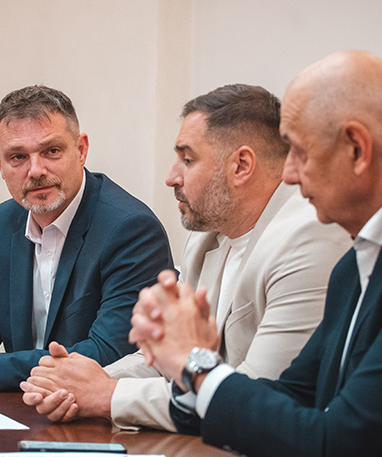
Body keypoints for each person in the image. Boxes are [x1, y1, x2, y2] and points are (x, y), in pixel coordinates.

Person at [20, 84, 351, 429]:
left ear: (241, 165)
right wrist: (79, 383)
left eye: (188, 159)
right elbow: (171, 360)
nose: (171, 177)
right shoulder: (206, 235)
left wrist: (107, 395)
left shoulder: (308, 237)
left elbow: (260, 394)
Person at [129, 50, 382, 457]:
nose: (288, 175)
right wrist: (188, 367)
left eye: (299, 152)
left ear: (357, 150)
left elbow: (335, 450)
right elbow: (290, 396)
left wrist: (195, 364)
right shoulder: (352, 268)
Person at [0, 85, 173, 391]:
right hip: (19, 406)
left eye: (52, 151)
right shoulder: (0, 223)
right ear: (0, 164)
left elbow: (108, 353)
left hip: (94, 410)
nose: (35, 170)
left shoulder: (131, 229)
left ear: (81, 150)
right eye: (18, 157)